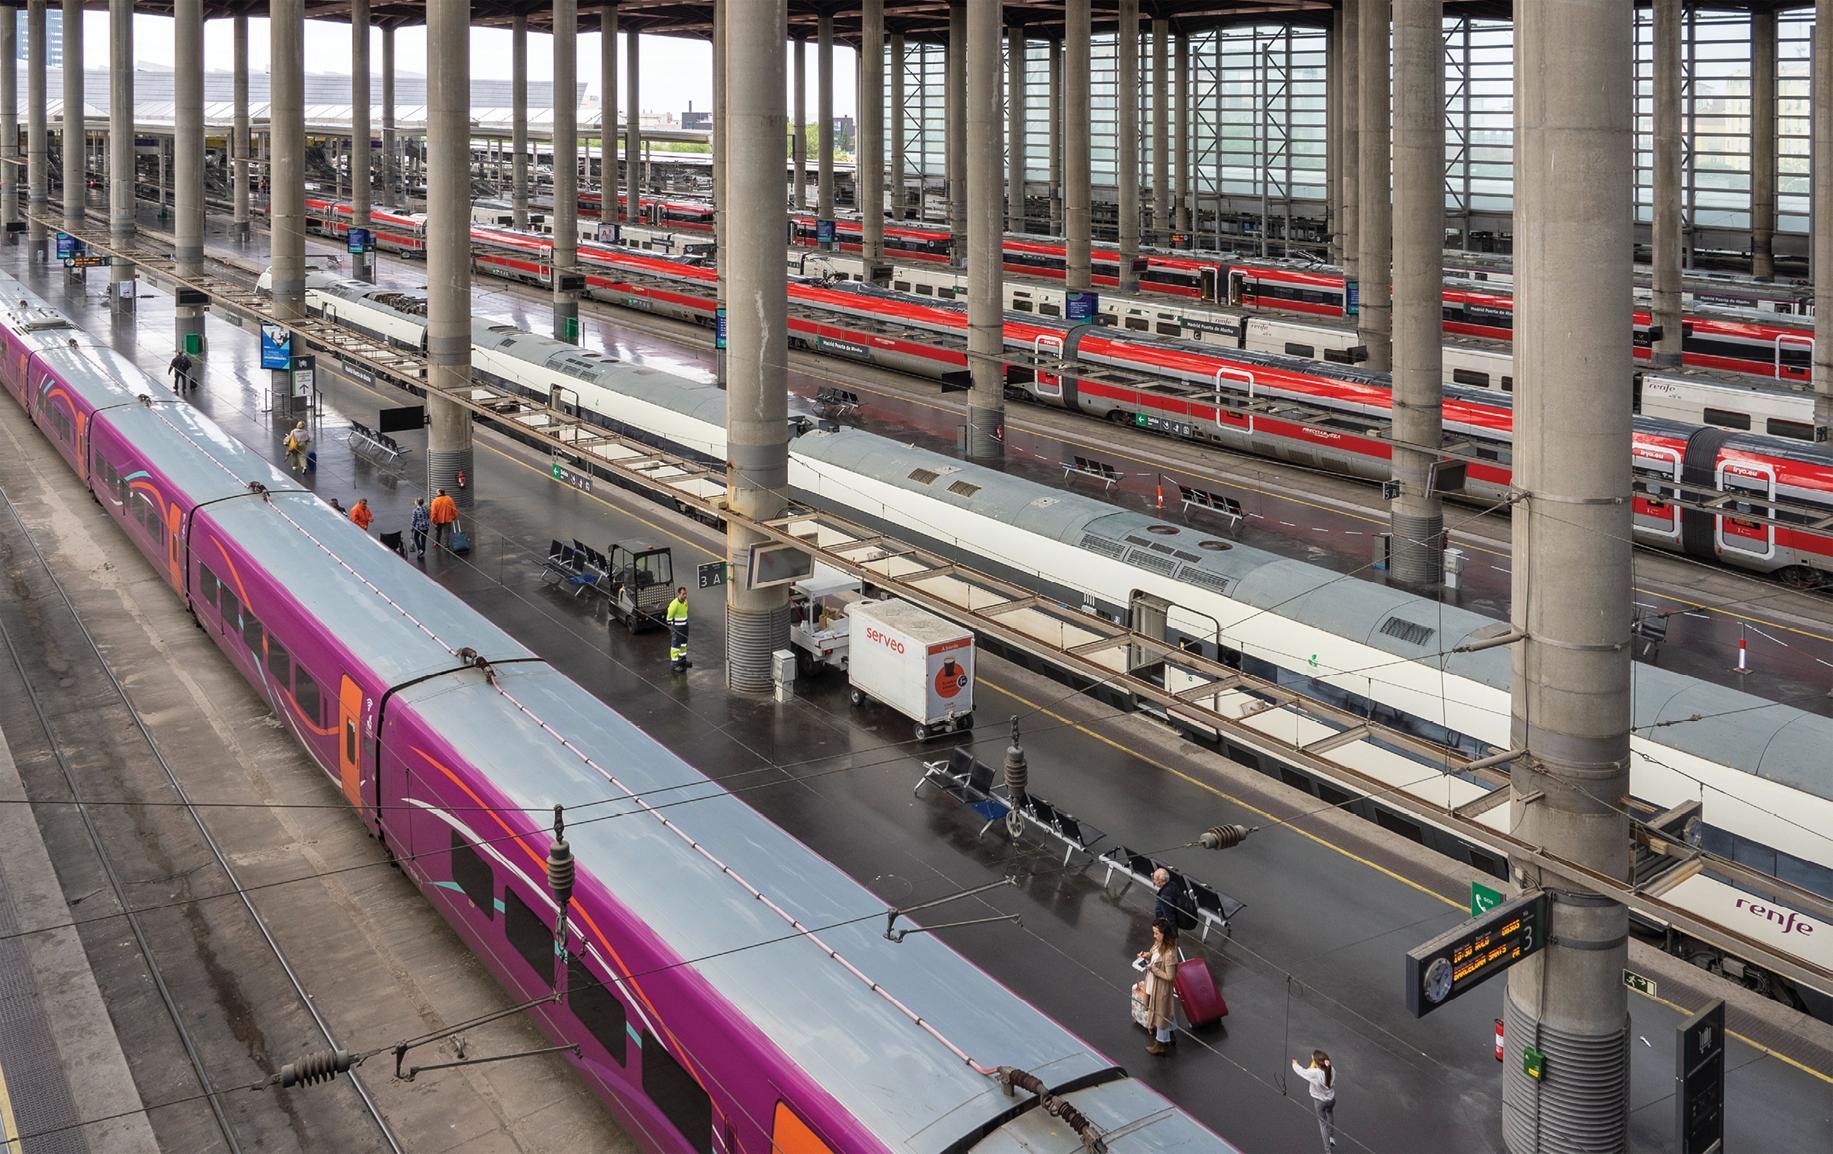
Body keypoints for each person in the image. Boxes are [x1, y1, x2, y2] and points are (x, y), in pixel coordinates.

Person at [1136, 917, 1179, 1056]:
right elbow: (1153, 955)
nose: (1154, 936)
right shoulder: (1159, 944)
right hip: (1154, 984)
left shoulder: (1170, 953)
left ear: (1164, 934)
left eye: (1156, 933)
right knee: (1166, 1012)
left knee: (1160, 1015)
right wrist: (1146, 956)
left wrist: (1153, 969)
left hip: (1161, 989)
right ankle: (1171, 1035)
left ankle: (1160, 1044)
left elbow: (1170, 976)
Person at [1291, 1049, 1336, 1150]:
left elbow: (1302, 1072)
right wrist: (1314, 1062)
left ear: (1317, 1064)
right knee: (1330, 1114)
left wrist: (1295, 1064)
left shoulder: (1314, 1073)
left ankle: (1328, 1150)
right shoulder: (1331, 1070)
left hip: (1320, 1101)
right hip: (1331, 1099)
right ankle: (1332, 1137)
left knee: (1322, 1124)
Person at [1152, 868, 1197, 933]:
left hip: (1163, 926)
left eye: (1156, 879)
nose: (1154, 881)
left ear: (1164, 881)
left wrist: (1173, 934)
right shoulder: (1172, 884)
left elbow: (1170, 916)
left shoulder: (1165, 897)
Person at [667, 587, 691, 672]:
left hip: (684, 626)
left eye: (685, 594)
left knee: (683, 644)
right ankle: (674, 664)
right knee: (675, 646)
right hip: (677, 628)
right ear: (679, 594)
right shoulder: (674, 604)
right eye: (683, 594)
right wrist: (670, 625)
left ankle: (682, 660)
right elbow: (669, 616)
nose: (685, 596)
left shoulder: (685, 602)